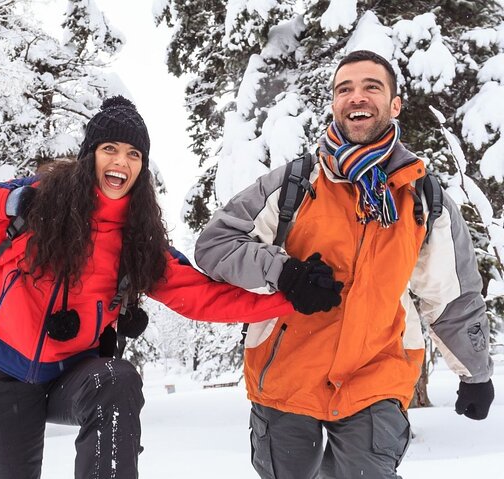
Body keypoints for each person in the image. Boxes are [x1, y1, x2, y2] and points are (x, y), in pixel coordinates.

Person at [0, 96, 337, 479]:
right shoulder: (41, 203)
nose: (120, 161)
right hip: (5, 372)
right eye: (110, 148)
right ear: (90, 155)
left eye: (133, 154)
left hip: (73, 374)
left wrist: (290, 297)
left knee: (117, 378)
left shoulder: (138, 240)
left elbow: (203, 296)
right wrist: (15, 202)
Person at [194, 50, 495, 479]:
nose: (357, 97)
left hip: (377, 371)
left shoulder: (423, 198)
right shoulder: (293, 184)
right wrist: (284, 272)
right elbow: (215, 245)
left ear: (394, 104)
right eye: (345, 89)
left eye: (372, 87)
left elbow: (451, 296)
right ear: (334, 103)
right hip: (285, 374)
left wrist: (475, 372)